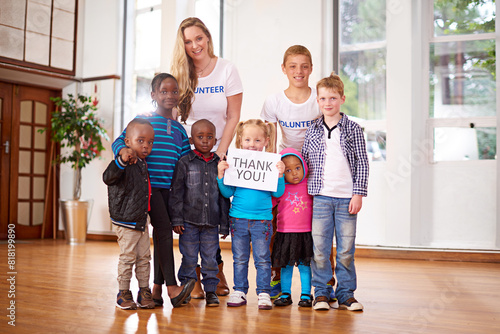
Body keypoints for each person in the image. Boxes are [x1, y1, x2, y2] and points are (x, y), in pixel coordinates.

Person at [171, 16, 243, 297]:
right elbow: (175, 117)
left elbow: (233, 115)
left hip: (218, 153)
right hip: (187, 157)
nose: (194, 46)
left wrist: (221, 151)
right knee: (191, 218)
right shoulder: (180, 73)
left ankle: (215, 271)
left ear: (208, 38)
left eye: (198, 38)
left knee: (213, 212)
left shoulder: (227, 69)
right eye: (188, 41)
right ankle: (194, 278)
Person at [111, 73, 195, 308]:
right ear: (153, 95)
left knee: (161, 236)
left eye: (174, 91)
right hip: (147, 188)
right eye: (164, 91)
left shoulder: (179, 129)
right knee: (164, 233)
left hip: (168, 189)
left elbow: (184, 162)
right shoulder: (143, 120)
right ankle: (172, 288)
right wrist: (123, 153)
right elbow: (120, 141)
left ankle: (156, 290)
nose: (170, 95)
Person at [260, 45, 335, 300]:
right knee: (278, 226)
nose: (299, 71)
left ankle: (325, 281)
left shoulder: (319, 98)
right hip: (285, 167)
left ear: (311, 68)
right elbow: (268, 140)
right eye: (293, 66)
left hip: (315, 170)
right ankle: (276, 276)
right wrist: (272, 173)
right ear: (284, 69)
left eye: (304, 66)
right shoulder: (274, 101)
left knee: (320, 226)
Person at [302, 72, 369, 311]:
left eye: (332, 98)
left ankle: (346, 294)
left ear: (341, 98)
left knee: (345, 250)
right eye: (323, 99)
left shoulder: (353, 129)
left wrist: (358, 193)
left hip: (346, 199)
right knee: (319, 249)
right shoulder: (312, 130)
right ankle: (321, 292)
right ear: (317, 101)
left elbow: (362, 162)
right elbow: (305, 163)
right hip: (320, 197)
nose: (327, 103)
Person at [217, 119, 286, 310]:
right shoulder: (235, 162)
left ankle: (263, 292)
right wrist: (221, 176)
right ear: (240, 141)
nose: (252, 144)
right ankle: (239, 290)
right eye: (247, 140)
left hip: (262, 220)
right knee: (240, 257)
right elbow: (227, 193)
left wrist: (280, 176)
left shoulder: (271, 163)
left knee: (263, 258)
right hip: (238, 218)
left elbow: (278, 194)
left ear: (265, 141)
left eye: (257, 140)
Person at [169, 119, 230, 307]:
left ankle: (211, 291)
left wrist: (225, 223)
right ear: (191, 139)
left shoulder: (219, 165)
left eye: (209, 137)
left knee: (210, 259)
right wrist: (177, 219)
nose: (205, 141)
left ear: (215, 139)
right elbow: (177, 192)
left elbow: (224, 196)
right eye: (200, 137)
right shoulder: (184, 163)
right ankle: (186, 289)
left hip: (211, 223)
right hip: (188, 222)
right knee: (188, 258)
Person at [103, 118, 156, 310]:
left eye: (150, 142)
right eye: (140, 140)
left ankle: (144, 291)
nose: (146, 145)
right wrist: (121, 161)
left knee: (144, 257)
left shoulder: (143, 163)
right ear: (127, 142)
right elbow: (108, 178)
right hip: (125, 221)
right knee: (128, 257)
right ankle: (123, 292)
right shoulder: (123, 162)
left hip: (141, 220)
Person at [271, 148, 314, 308]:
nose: (294, 173)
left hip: (305, 234)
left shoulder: (309, 186)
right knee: (286, 265)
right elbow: (270, 203)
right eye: (288, 170)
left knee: (304, 265)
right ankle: (285, 294)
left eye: (297, 167)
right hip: (284, 233)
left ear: (304, 166)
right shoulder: (281, 189)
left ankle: (306, 294)